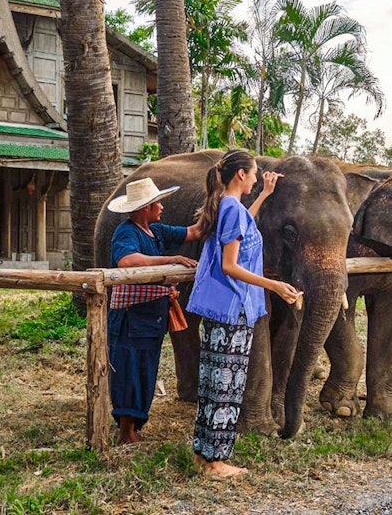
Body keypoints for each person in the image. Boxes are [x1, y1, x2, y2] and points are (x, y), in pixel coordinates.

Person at [187, 150, 301, 481]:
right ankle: (216, 463)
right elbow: (230, 265)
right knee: (226, 386)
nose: (255, 179)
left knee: (212, 383)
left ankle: (203, 454)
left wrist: (265, 194)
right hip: (232, 308)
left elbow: (241, 229)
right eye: (253, 175)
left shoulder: (228, 206)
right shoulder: (231, 209)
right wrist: (275, 285)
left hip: (220, 309)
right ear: (240, 175)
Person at [106, 177, 201, 445]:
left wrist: (217, 203)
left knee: (146, 368)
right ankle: (126, 430)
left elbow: (193, 232)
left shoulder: (156, 232)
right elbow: (127, 260)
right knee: (129, 369)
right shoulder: (126, 233)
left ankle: (134, 425)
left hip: (151, 316)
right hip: (131, 316)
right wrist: (171, 260)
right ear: (145, 208)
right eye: (157, 203)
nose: (162, 208)